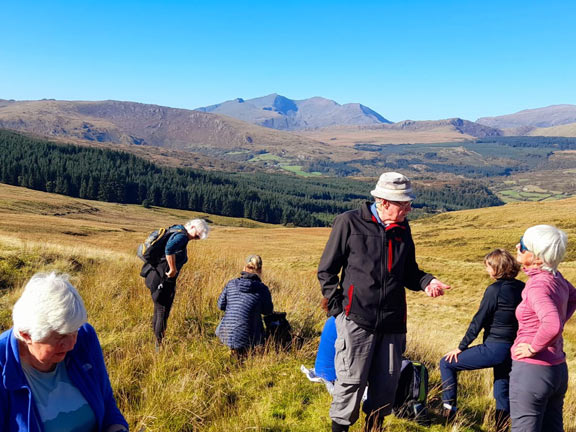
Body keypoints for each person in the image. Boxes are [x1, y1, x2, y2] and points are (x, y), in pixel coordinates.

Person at [317, 171, 450, 432]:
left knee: (384, 388)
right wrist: (340, 312)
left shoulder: (403, 229)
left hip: (392, 324)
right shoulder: (349, 223)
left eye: (409, 203)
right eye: (404, 204)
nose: (409, 208)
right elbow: (326, 271)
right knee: (350, 385)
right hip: (356, 321)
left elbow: (409, 271)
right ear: (383, 202)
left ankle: (373, 428)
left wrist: (427, 282)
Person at [0, 272, 128, 432]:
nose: (71, 344)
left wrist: (117, 428)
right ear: (27, 335)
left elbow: (107, 403)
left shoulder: (85, 337)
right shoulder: (3, 365)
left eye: (74, 331)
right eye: (60, 337)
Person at [439, 249, 525, 430]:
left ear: (497, 268)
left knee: (446, 363)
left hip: (495, 347)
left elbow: (479, 320)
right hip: (513, 348)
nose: (486, 270)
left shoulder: (495, 290)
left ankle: (448, 413)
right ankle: (501, 428)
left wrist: (461, 347)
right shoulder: (521, 288)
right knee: (502, 390)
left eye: (488, 266)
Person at [509, 225, 576, 432]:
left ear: (537, 258)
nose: (517, 247)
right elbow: (573, 298)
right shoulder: (556, 278)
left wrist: (532, 347)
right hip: (557, 368)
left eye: (522, 245)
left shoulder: (537, 285)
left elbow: (552, 324)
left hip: (532, 369)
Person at [141, 218, 210, 348]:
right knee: (162, 310)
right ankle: (158, 345)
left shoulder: (176, 229)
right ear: (193, 228)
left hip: (154, 274)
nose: (194, 239)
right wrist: (173, 269)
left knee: (158, 308)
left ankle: (156, 340)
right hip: (163, 278)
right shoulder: (182, 236)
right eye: (196, 236)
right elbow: (169, 249)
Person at [216, 255, 274, 359]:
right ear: (260, 269)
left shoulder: (231, 284)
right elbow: (268, 311)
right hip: (250, 338)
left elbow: (220, 305)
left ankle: (233, 349)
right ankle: (246, 349)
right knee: (257, 322)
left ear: (244, 267)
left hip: (225, 335)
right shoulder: (263, 289)